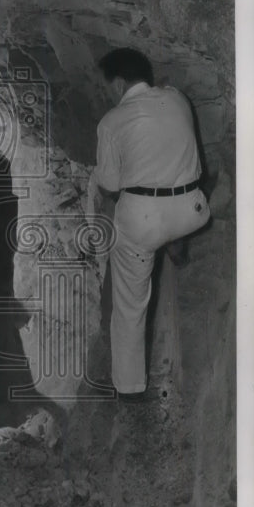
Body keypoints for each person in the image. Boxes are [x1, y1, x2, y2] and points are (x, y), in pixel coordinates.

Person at [90, 48, 210, 399]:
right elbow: (168, 93)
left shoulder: (111, 121)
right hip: (192, 211)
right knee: (166, 183)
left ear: (121, 82)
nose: (109, 91)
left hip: (145, 222)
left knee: (129, 305)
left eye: (109, 84)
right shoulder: (177, 98)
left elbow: (110, 185)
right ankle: (174, 242)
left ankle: (129, 388)